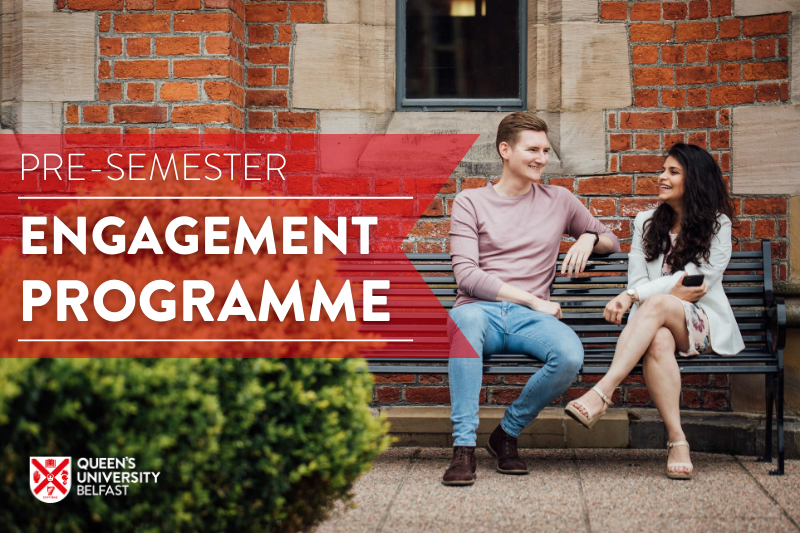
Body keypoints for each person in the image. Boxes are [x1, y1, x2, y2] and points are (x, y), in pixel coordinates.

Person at [442, 112, 621, 486]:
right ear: (505, 150)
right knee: (466, 322)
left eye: (545, 150)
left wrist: (587, 236)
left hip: (530, 322)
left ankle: (506, 433)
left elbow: (611, 241)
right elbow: (467, 276)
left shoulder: (559, 199)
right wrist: (533, 300)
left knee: (570, 355)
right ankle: (463, 449)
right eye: (532, 149)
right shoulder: (470, 201)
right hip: (479, 312)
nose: (542, 157)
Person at [565, 143, 744, 480]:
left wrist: (635, 295)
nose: (662, 177)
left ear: (696, 181)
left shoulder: (718, 225)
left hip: (700, 321)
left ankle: (602, 392)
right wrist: (653, 292)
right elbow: (642, 277)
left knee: (660, 303)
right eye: (663, 170)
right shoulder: (645, 221)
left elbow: (694, 283)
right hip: (655, 323)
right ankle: (678, 441)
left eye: (673, 172)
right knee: (659, 338)